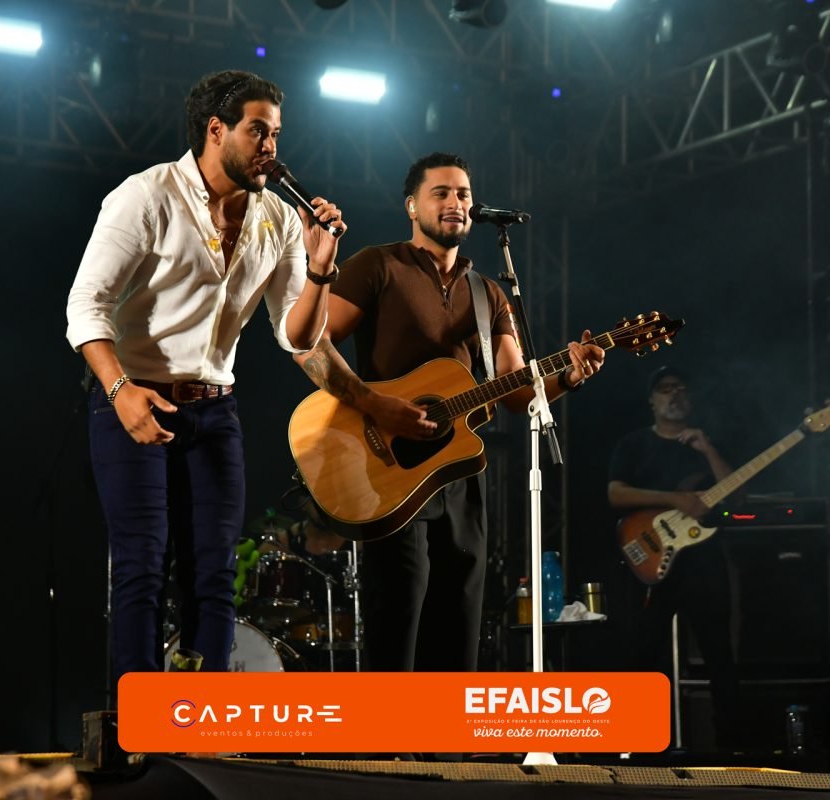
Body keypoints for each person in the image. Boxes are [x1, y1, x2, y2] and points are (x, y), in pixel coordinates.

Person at [65, 69, 346, 682]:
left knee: (214, 573)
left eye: (276, 133)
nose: (271, 146)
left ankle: (207, 715)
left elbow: (296, 335)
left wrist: (321, 268)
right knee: (142, 566)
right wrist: (120, 391)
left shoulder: (278, 219)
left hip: (215, 409)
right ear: (216, 130)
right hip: (135, 398)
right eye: (258, 131)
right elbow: (85, 306)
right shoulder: (146, 196)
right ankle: (140, 718)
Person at [293, 152, 604, 671]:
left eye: (463, 194)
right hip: (388, 470)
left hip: (458, 472)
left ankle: (449, 726)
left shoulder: (488, 294)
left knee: (459, 625)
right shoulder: (378, 265)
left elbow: (516, 391)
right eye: (440, 192)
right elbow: (311, 345)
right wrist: (378, 406)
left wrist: (569, 375)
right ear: (411, 206)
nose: (455, 202)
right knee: (397, 623)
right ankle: (388, 727)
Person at [606, 365, 741, 749]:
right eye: (665, 388)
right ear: (651, 400)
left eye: (681, 388)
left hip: (704, 561)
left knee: (719, 652)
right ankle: (635, 743)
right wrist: (674, 499)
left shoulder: (706, 444)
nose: (674, 394)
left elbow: (736, 497)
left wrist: (708, 449)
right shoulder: (634, 444)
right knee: (642, 652)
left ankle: (730, 747)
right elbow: (616, 494)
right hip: (651, 558)